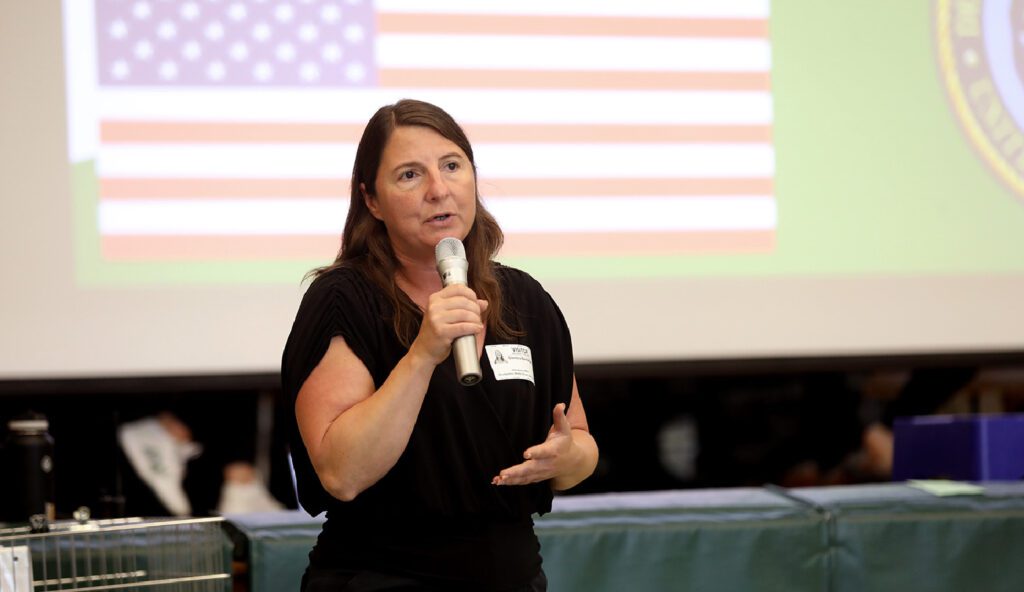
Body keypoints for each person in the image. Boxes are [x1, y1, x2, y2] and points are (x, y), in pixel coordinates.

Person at [281, 99, 599, 591]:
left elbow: (579, 441)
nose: (438, 189)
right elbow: (342, 474)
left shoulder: (525, 299)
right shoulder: (344, 300)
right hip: (383, 579)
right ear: (372, 200)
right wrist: (424, 354)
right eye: (410, 175)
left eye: (452, 166)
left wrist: (567, 458)